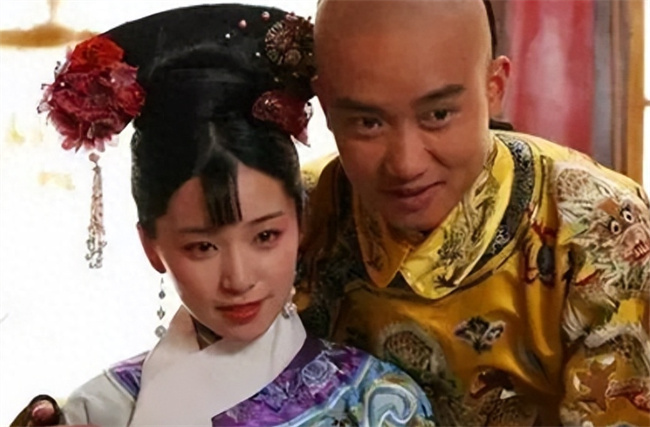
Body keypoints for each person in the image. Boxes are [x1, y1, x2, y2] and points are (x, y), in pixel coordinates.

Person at [10, 4, 435, 426]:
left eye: (265, 236)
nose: (238, 278)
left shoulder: (379, 403)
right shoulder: (99, 412)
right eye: (202, 246)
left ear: (301, 220)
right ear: (152, 246)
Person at [296, 0, 650, 426]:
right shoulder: (290, 217)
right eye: (368, 123)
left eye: (438, 115)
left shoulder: (598, 225)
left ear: (494, 87)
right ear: (326, 105)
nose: (406, 165)